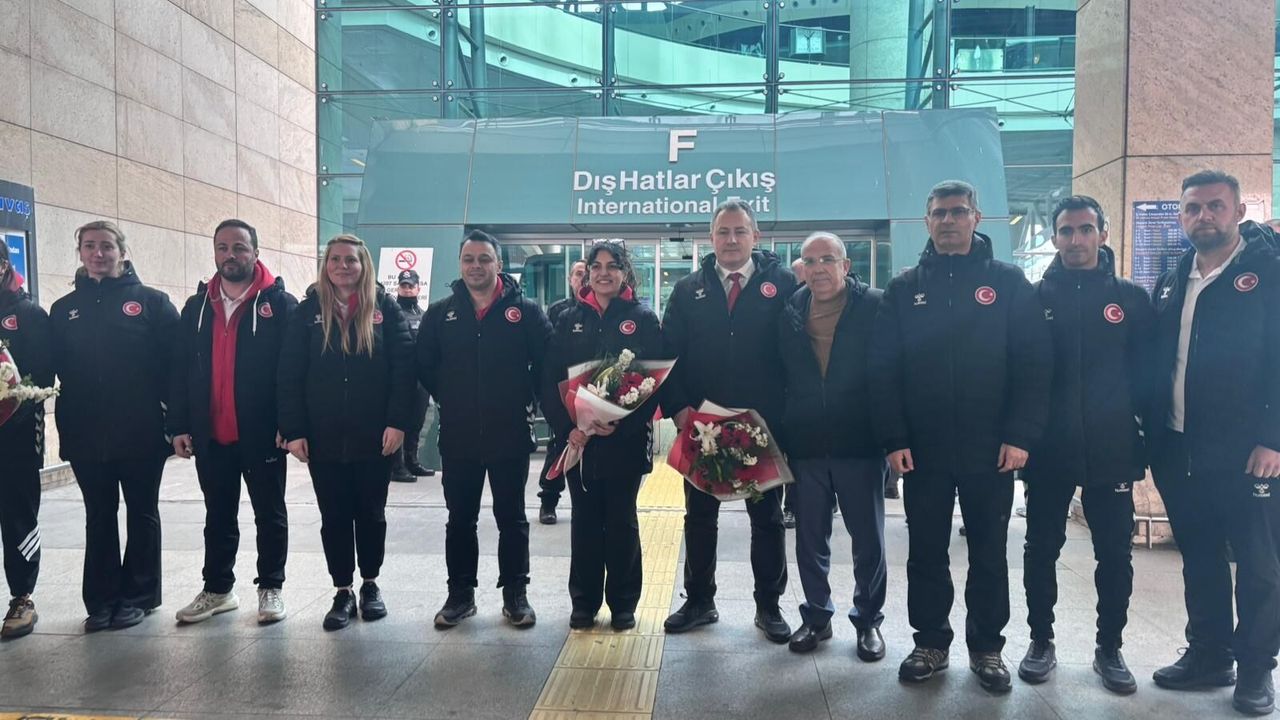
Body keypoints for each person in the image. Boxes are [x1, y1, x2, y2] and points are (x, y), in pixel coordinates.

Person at [869, 180, 1052, 692]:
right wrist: (894, 439)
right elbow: (882, 371)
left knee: (989, 552)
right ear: (927, 221)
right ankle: (930, 642)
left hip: (991, 449)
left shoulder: (1008, 283)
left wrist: (1021, 435)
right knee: (926, 551)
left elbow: (1035, 365)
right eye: (939, 213)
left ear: (977, 218)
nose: (948, 220)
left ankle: (987, 648)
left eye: (957, 211)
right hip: (922, 450)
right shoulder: (904, 289)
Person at [1147, 170, 1280, 716]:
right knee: (1199, 557)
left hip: (1249, 454)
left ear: (1239, 211)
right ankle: (1209, 654)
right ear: (1181, 215)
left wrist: (1273, 437)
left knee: (1259, 564)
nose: (1204, 216)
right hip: (1180, 447)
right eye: (1193, 208)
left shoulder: (1269, 273)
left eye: (1215, 206)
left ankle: (1256, 668)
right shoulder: (1174, 275)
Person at [1018, 196, 1154, 694]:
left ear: (1103, 233)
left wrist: (1145, 437)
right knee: (1040, 549)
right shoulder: (1035, 298)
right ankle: (1040, 641)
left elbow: (1150, 375)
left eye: (1085, 229)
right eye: (1066, 230)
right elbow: (1021, 374)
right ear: (1055, 237)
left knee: (1114, 553)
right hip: (1048, 450)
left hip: (1112, 447)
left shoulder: (1130, 299)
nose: (1076, 239)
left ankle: (1109, 648)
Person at [661, 199, 797, 644]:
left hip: (761, 426)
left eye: (740, 231)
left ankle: (769, 605)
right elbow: (668, 355)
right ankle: (700, 600)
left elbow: (798, 352)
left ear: (756, 236)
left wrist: (786, 415)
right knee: (700, 517)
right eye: (723, 232)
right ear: (711, 238)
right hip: (704, 426)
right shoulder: (689, 290)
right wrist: (680, 410)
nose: (732, 239)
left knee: (767, 519)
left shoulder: (783, 284)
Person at [277, 234, 414, 631]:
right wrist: (294, 430)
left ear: (363, 265)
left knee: (371, 514)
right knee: (334, 516)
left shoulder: (384, 308)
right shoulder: (307, 311)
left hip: (375, 436)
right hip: (323, 437)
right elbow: (289, 374)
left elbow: (404, 370)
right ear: (326, 265)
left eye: (350, 260)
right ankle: (342, 590)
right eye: (335, 259)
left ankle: (370, 584)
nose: (342, 266)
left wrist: (398, 422)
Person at [50, 221, 180, 632]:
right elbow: (51, 368)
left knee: (142, 512)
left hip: (141, 431)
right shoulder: (63, 310)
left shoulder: (152, 303)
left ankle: (139, 596)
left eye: (106, 246)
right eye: (89, 246)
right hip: (85, 432)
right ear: (80, 253)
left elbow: (176, 369)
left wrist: (176, 422)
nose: (98, 253)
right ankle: (102, 599)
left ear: (122, 252)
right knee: (98, 515)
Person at [417, 230, 550, 630]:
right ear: (460, 264)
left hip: (509, 433)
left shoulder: (526, 312)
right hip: (458, 435)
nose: (476, 266)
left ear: (499, 264)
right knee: (460, 519)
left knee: (512, 518)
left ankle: (516, 594)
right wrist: (452, 397)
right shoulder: (440, 314)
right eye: (469, 259)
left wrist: (527, 400)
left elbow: (546, 366)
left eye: (484, 259)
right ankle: (460, 595)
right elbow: (424, 367)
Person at [169, 219, 297, 626]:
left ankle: (271, 587)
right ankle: (218, 589)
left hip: (262, 434)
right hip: (212, 433)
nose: (231, 255)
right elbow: (180, 371)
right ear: (215, 253)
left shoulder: (280, 305)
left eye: (239, 247)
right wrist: (179, 425)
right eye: (223, 247)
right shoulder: (196, 308)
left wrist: (289, 423)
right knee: (218, 515)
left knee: (269, 514)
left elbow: (292, 372)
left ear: (255, 252)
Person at [542, 241, 663, 630]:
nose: (604, 273)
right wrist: (569, 429)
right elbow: (549, 378)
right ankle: (584, 602)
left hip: (625, 442)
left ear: (625, 272)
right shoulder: (566, 318)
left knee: (622, 521)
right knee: (585, 522)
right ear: (588, 273)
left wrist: (622, 422)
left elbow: (654, 381)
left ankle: (624, 603)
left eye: (613, 266)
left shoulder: (643, 318)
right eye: (597, 266)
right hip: (579, 443)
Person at [777, 232, 887, 660]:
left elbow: (892, 371)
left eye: (828, 259)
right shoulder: (791, 310)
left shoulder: (874, 306)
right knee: (809, 539)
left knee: (868, 540)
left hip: (860, 444)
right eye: (809, 261)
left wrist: (893, 437)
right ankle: (817, 617)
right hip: (806, 445)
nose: (818, 268)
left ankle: (868, 621)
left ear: (846, 265)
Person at [0, 241, 51, 639]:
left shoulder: (29, 313)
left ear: (4, 265)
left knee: (17, 515)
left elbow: (42, 377)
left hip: (15, 435)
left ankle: (22, 598)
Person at [537, 258, 588, 524]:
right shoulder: (559, 311)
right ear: (570, 279)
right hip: (563, 394)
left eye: (586, 273)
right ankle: (548, 500)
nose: (582, 278)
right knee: (558, 446)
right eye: (577, 274)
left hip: (591, 395)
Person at [391, 268, 434, 483]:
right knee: (400, 420)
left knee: (417, 420)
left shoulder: (424, 314)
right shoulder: (391, 312)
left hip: (420, 377)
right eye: (403, 286)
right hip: (400, 377)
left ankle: (411, 460)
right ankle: (396, 466)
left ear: (418, 288)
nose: (407, 289)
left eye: (411, 286)